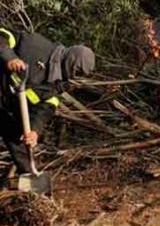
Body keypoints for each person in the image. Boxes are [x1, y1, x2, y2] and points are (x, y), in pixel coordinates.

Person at [0, 28, 95, 174]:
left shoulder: (57, 84)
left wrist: (34, 131)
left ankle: (29, 176)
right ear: (71, 62)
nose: (75, 76)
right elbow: (3, 35)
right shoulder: (33, 44)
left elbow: (45, 108)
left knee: (19, 138)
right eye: (77, 71)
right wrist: (9, 57)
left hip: (6, 106)